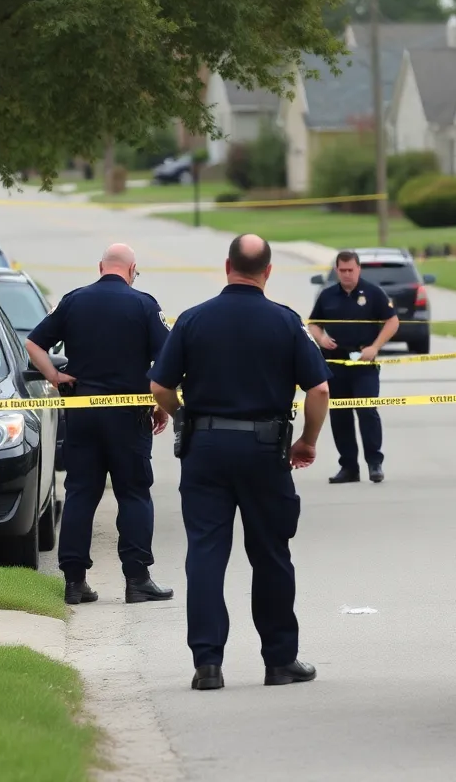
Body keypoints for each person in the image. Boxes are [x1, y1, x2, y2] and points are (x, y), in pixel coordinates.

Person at [149, 234, 332, 691]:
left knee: (206, 555)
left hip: (205, 450)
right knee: (270, 554)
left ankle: (208, 665)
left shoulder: (192, 321)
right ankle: (278, 662)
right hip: (264, 453)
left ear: (226, 266)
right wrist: (307, 441)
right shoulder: (286, 323)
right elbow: (320, 389)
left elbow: (159, 387)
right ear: (268, 271)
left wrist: (184, 417)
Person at [25, 243, 175, 606]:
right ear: (132, 269)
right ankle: (137, 580)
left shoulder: (74, 301)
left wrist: (55, 376)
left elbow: (33, 343)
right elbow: (167, 360)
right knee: (134, 493)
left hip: (82, 413)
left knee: (80, 493)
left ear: (100, 267)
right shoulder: (144, 305)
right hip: (128, 415)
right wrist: (160, 405)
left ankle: (74, 583)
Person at [307, 250, 399, 484]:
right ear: (337, 270)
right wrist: (321, 338)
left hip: (363, 363)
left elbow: (392, 321)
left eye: (351, 270)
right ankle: (348, 467)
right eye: (342, 270)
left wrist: (375, 347)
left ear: (358, 269)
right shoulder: (327, 295)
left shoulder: (373, 293)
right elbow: (313, 323)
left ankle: (374, 463)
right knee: (340, 415)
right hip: (335, 363)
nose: (346, 274)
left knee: (367, 410)